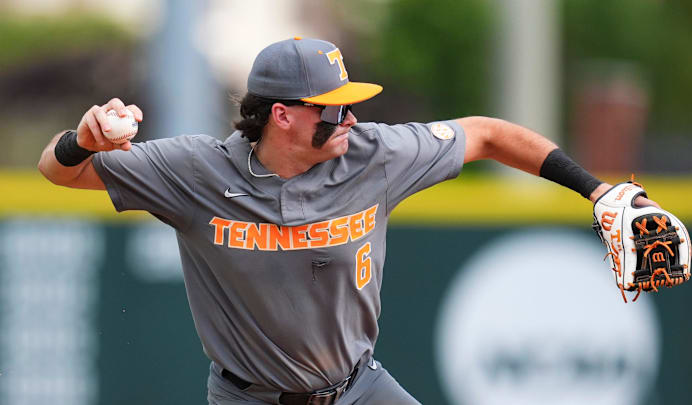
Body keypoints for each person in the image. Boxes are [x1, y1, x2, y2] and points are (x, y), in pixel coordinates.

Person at [38, 37, 658, 405]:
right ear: (282, 115)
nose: (352, 120)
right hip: (250, 397)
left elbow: (489, 135)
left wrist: (597, 191)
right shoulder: (196, 170)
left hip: (358, 390)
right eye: (333, 109)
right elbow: (57, 172)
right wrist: (82, 139)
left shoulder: (373, 156)